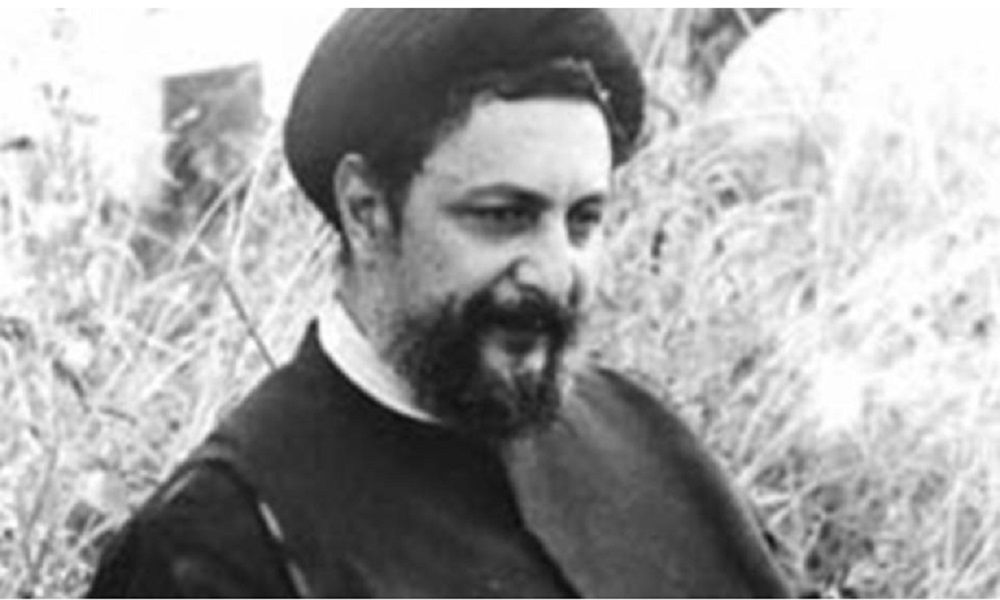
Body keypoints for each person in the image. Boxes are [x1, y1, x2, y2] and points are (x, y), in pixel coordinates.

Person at [87, 9, 792, 598]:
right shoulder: (223, 541)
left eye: (583, 220)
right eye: (502, 216)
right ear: (366, 210)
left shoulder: (648, 440)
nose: (555, 273)